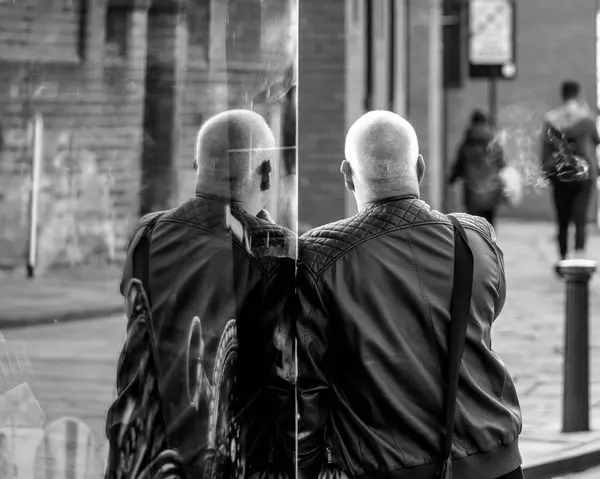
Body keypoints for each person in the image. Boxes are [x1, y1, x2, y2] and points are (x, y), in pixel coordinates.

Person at [295, 110, 523, 479]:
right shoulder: (475, 238)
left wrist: (304, 468)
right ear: (419, 168)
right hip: (497, 463)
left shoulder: (318, 257)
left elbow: (308, 388)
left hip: (385, 467)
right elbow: (489, 310)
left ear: (347, 175)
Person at [105, 110, 296, 477]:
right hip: (224, 463)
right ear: (267, 173)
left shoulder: (148, 234)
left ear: (196, 164)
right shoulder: (275, 253)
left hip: (140, 457)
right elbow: (283, 383)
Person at [542, 80, 600, 265]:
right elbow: (597, 141)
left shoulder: (551, 119)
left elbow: (546, 150)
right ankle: (579, 255)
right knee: (581, 216)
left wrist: (548, 172)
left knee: (562, 217)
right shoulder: (587, 118)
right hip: (583, 175)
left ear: (563, 95)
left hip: (561, 175)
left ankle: (563, 256)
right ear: (578, 94)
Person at [449, 110, 505, 227]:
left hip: (472, 191)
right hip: (491, 190)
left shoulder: (466, 144)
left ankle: (476, 243)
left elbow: (459, 165)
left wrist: (452, 178)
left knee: (474, 224)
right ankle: (489, 243)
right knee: (490, 224)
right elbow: (501, 164)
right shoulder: (493, 143)